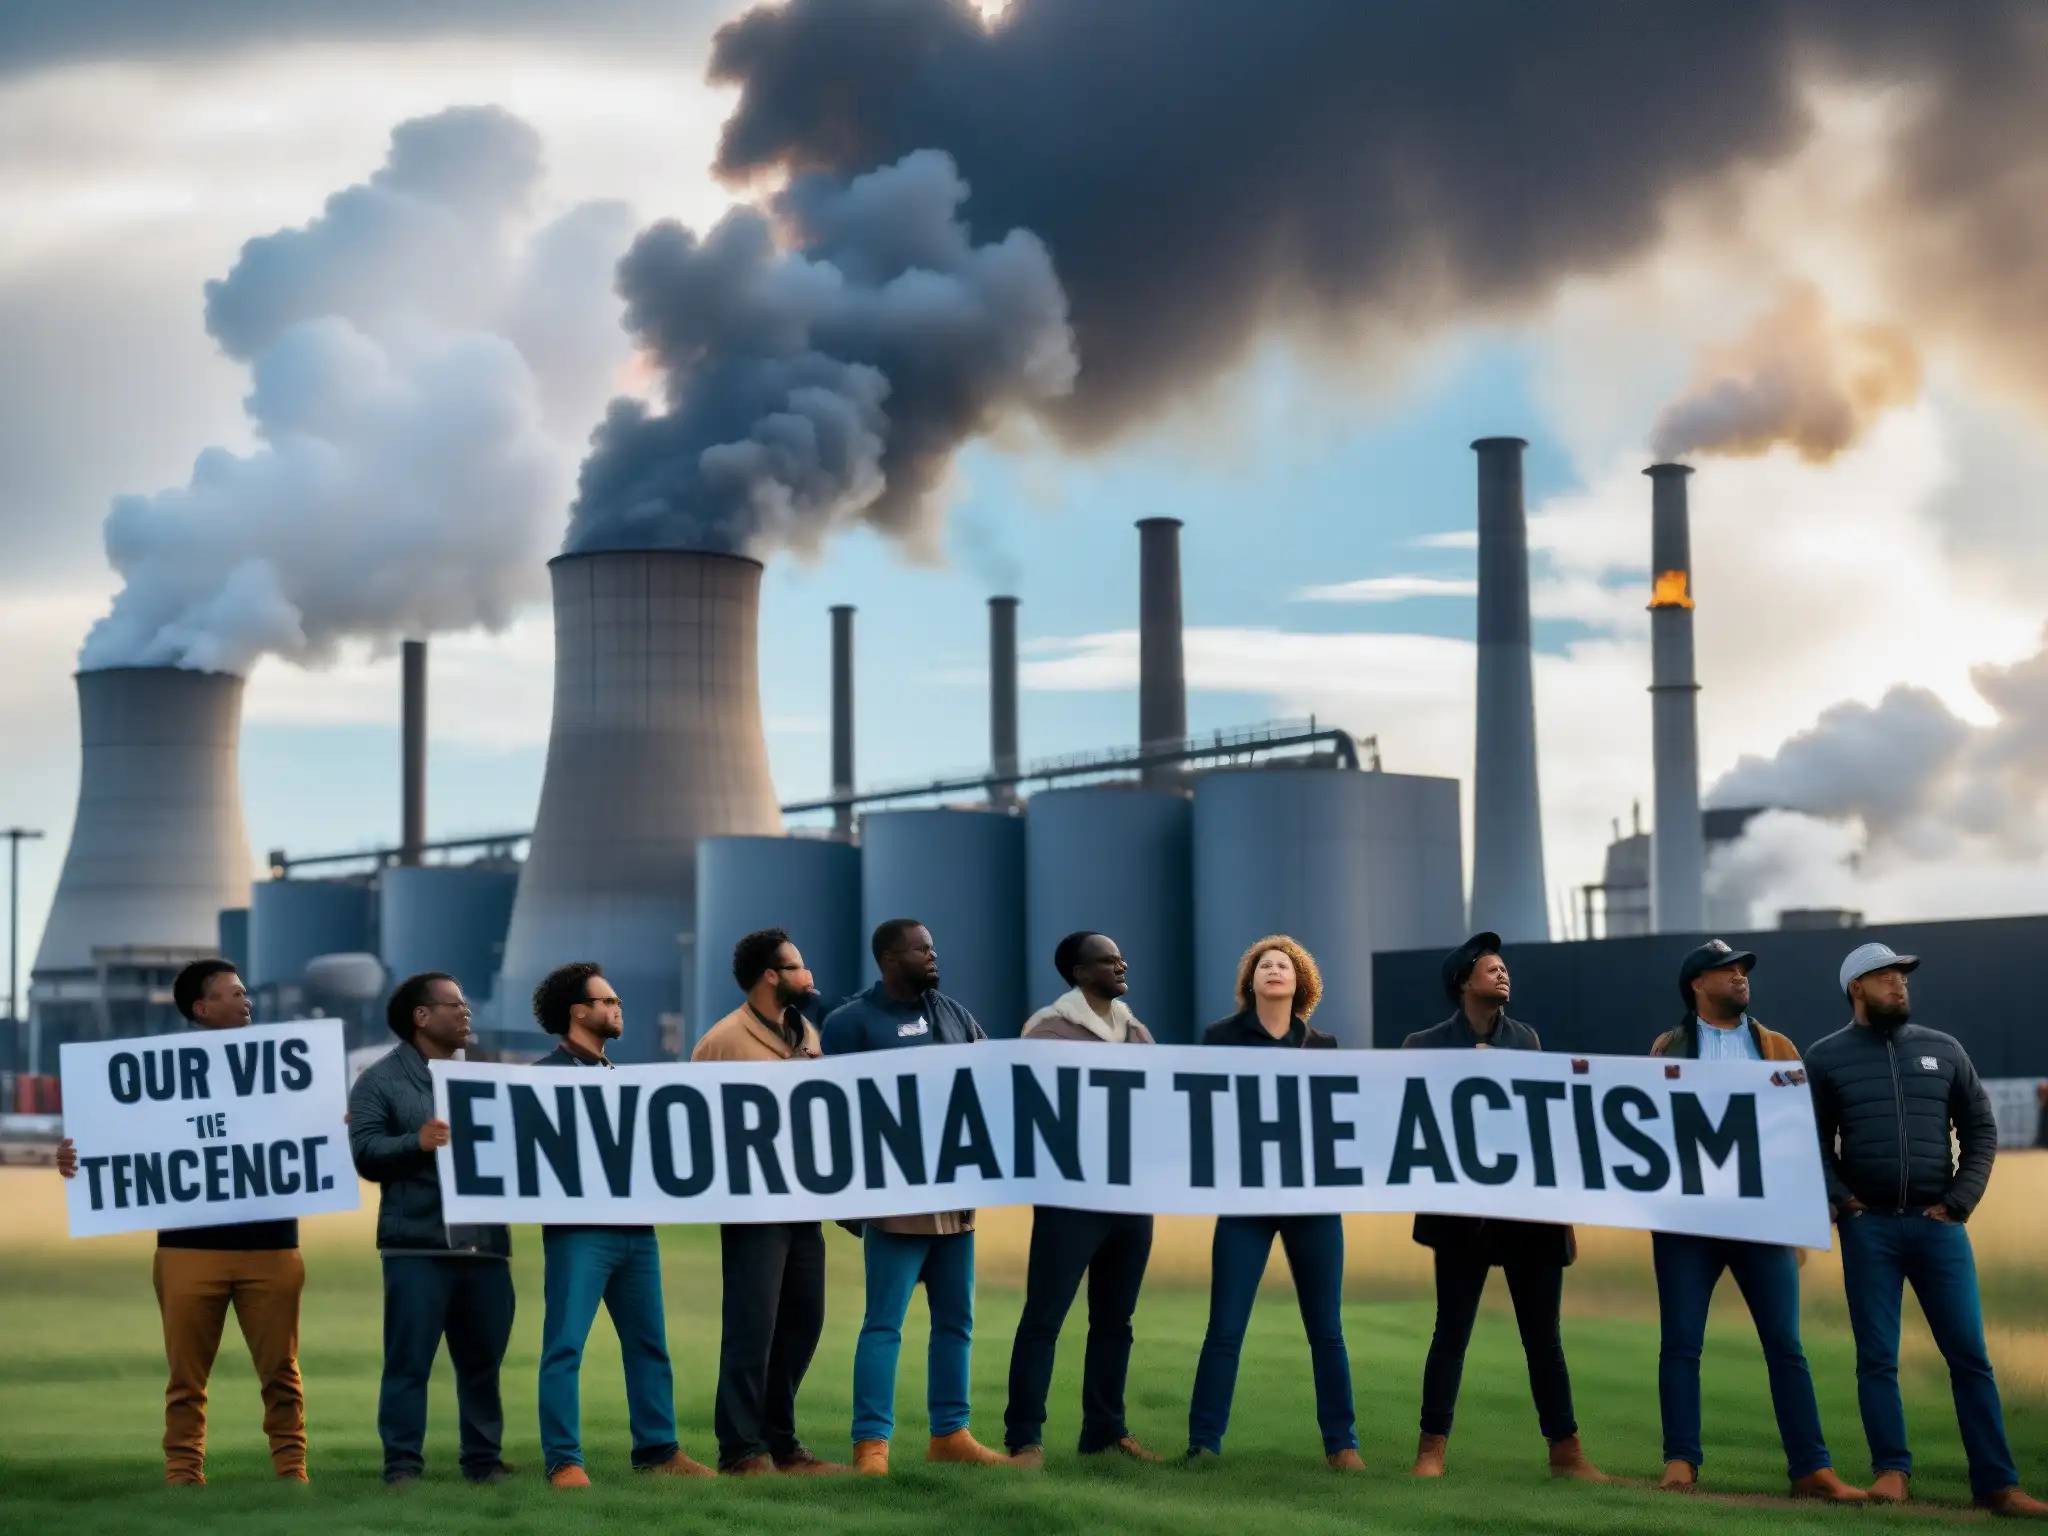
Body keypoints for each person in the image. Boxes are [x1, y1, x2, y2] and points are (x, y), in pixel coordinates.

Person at [1807, 942, 2048, 1516]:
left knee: (1969, 1356)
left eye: (1903, 978)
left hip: (1939, 1230)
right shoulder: (1824, 1057)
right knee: (1877, 1358)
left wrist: (1961, 1202)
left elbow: (1981, 1131)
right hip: (1871, 1232)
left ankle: (1998, 1484)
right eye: (1886, 977)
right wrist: (1842, 1200)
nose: (1900, 986)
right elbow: (1810, 1142)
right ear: (1856, 989)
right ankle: (1892, 1471)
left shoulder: (1944, 1050)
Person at [57, 958, 307, 1485]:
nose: (248, 1002)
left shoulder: (281, 1070)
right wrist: (78, 1160)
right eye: (235, 994)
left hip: (271, 1245)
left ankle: (292, 1472)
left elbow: (311, 1136)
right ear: (201, 1008)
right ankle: (183, 1475)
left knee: (282, 1373)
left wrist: (330, 1128)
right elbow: (117, 1145)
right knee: (186, 1377)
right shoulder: (157, 1074)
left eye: (246, 993)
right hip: (188, 1246)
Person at [1646, 941, 1863, 1501]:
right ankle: (1680, 1461)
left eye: (1743, 970)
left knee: (1786, 1346)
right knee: (1681, 1343)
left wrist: (1809, 1205)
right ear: (1697, 983)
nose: (1741, 976)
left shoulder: (1778, 1047)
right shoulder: (1668, 1048)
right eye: (1728, 970)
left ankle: (1812, 1468)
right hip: (1688, 1223)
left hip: (1762, 1220)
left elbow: (1799, 1134)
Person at [1401, 932, 1608, 1483]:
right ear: (1462, 982)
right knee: (1452, 1332)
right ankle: (1431, 1449)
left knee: (1544, 1337)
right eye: (1489, 968)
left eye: (1503, 967)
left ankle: (1566, 1453)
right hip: (1461, 1218)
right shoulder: (1423, 1046)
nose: (1502, 974)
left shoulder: (1529, 1041)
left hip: (1527, 1218)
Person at [820, 918, 1009, 1474]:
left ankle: (950, 1434)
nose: (933, 954)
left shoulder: (952, 1013)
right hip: (894, 1203)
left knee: (956, 1322)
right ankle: (871, 1445)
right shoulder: (850, 1023)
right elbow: (831, 1111)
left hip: (956, 1199)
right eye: (921, 948)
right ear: (888, 957)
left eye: (932, 946)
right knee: (885, 1323)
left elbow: (993, 1077)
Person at [530, 961, 712, 1489]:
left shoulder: (624, 1078)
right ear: (578, 1012)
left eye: (618, 1002)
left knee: (650, 1344)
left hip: (637, 1231)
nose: (617, 1008)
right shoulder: (545, 1078)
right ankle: (563, 1460)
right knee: (565, 1345)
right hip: (580, 1233)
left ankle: (658, 1450)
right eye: (607, 1001)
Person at [1185, 935, 1361, 1472]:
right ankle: (1204, 1444)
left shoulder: (1323, 1045)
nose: (1274, 970)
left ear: (1299, 981)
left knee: (1326, 1329)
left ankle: (1342, 1445)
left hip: (1312, 1203)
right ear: (1251, 981)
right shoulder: (1219, 1038)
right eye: (1265, 965)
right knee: (1225, 1327)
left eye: (1283, 964)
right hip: (1245, 1202)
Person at [690, 929, 848, 1477]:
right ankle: (740, 1451)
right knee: (751, 1329)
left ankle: (782, 1443)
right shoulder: (722, 1042)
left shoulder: (810, 1034)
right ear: (770, 976)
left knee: (805, 1320)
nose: (810, 977)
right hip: (755, 1211)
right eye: (799, 967)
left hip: (806, 1206)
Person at [348, 972, 515, 1486]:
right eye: (454, 1005)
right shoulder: (380, 1080)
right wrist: (414, 1143)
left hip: (484, 1245)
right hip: (416, 1246)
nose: (466, 1013)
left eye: (465, 1005)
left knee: (483, 1363)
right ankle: (402, 1465)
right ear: (421, 1016)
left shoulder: (488, 1078)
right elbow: (365, 1152)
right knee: (408, 1363)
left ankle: (483, 1462)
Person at [1003, 932, 1161, 1467]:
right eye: (1107, 959)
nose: (1121, 964)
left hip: (1131, 1203)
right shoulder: (1047, 1031)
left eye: (1121, 956)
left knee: (1116, 1322)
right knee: (1044, 1318)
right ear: (1078, 971)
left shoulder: (1138, 1033)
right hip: (1069, 1205)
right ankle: (1025, 1439)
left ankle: (1104, 1432)